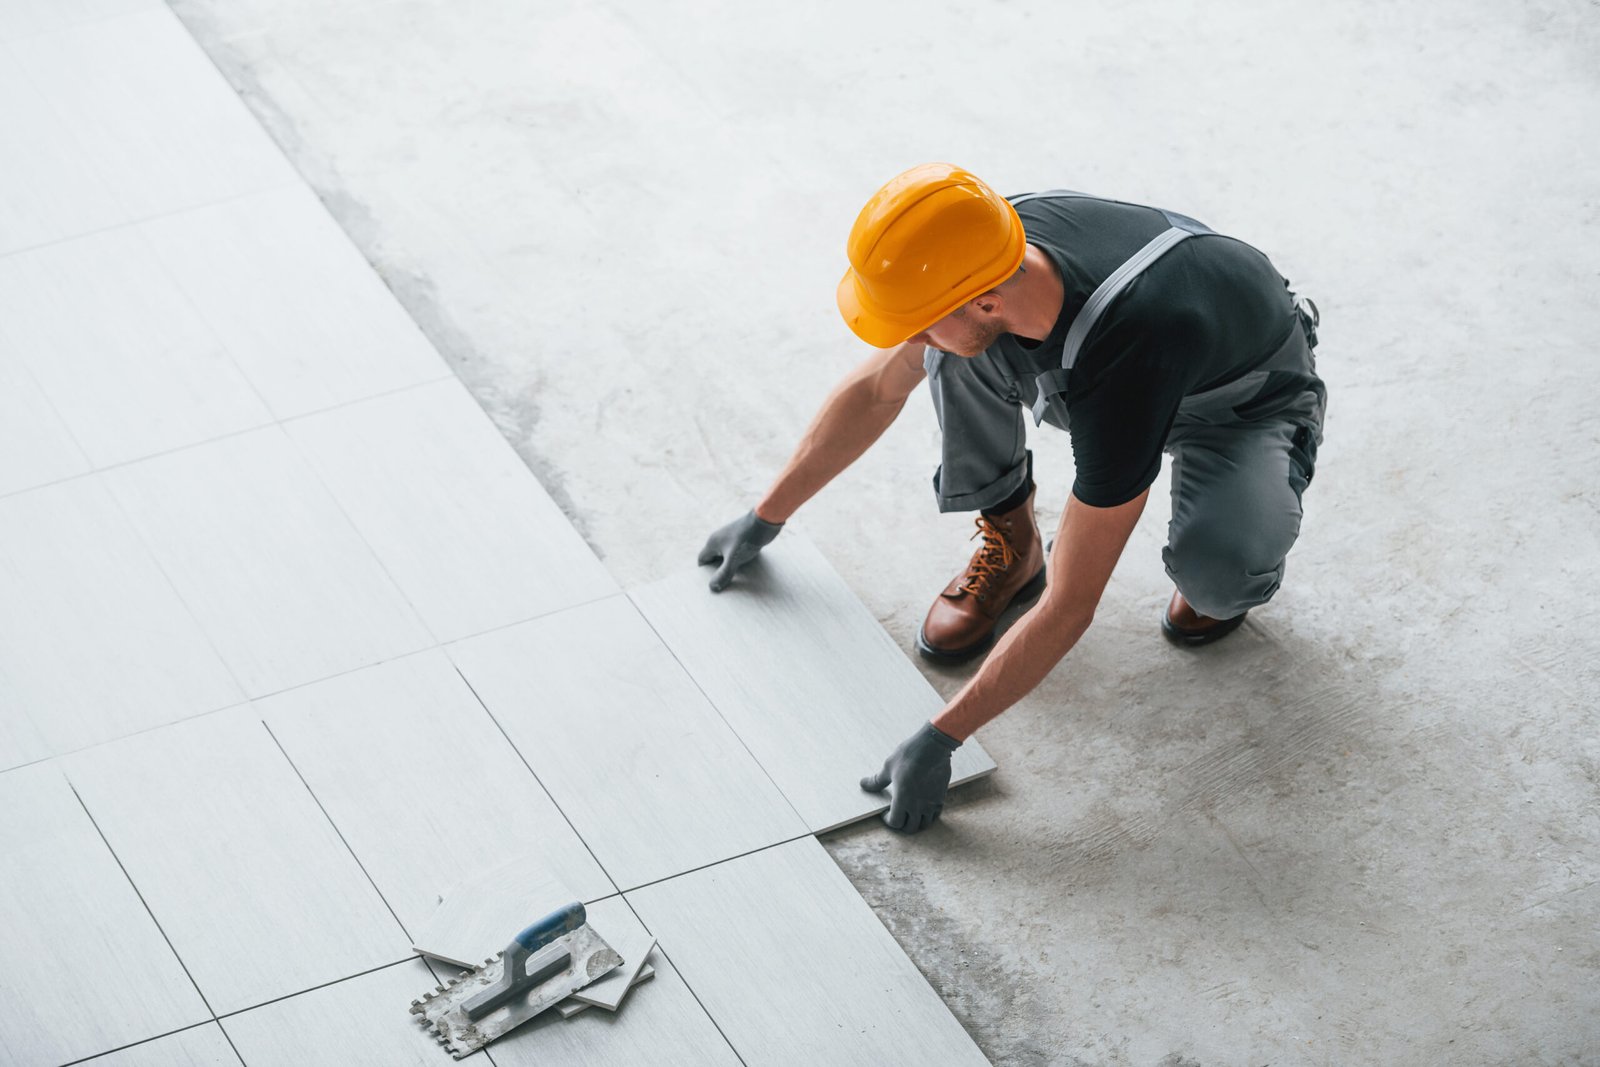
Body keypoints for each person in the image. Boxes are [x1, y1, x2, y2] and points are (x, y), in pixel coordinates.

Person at [698, 163, 1326, 833]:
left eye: (916, 322)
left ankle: (1237, 537)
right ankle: (1014, 542)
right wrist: (768, 514)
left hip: (1238, 400)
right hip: (1124, 358)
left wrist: (943, 735)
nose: (908, 337)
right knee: (950, 354)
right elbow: (877, 390)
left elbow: (1071, 606)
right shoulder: (987, 246)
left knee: (1221, 574)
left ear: (987, 303)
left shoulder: (1128, 355)